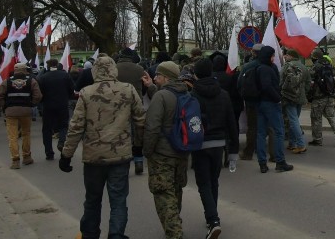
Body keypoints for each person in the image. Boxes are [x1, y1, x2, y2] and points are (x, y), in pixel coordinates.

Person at [58, 55, 145, 239]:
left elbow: (76, 126)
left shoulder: (86, 93)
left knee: (92, 200)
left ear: (94, 71)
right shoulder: (128, 90)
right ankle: (116, 234)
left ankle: (89, 234)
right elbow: (141, 120)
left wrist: (66, 155)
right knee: (119, 200)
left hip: (93, 157)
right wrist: (141, 146)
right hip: (120, 156)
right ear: (114, 70)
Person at [191, 58, 239, 239]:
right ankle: (212, 215)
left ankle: (213, 220)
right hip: (219, 144)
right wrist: (233, 150)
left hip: (200, 144)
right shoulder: (223, 94)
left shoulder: (193, 94)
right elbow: (231, 123)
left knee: (203, 183)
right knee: (213, 181)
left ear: (196, 73)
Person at [144, 61, 190, 239]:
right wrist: (151, 87)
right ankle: (175, 225)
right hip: (181, 151)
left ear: (166, 77)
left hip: (162, 154)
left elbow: (152, 127)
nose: (155, 78)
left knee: (164, 194)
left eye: (157, 76)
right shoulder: (185, 92)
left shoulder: (161, 97)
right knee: (176, 191)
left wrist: (147, 151)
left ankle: (174, 233)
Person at [0, 62, 42, 169]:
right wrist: (31, 104)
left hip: (10, 113)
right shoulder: (31, 81)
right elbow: (38, 96)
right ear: (25, 71)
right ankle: (27, 157)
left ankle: (15, 160)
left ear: (15, 71)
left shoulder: (6, 82)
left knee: (12, 136)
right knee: (26, 134)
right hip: (26, 112)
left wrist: (5, 106)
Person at [254, 46, 293, 174]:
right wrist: (278, 99)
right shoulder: (267, 69)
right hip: (271, 103)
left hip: (259, 103)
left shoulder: (258, 67)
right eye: (272, 55)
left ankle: (262, 163)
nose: (274, 57)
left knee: (260, 133)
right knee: (279, 132)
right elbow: (267, 87)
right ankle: (280, 162)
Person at [237, 45, 274, 161]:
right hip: (267, 101)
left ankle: (248, 153)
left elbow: (239, 83)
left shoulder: (247, 66)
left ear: (253, 52)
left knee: (252, 127)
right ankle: (269, 152)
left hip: (251, 102)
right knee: (268, 126)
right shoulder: (271, 66)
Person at [37, 57, 75, 160]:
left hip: (48, 106)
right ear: (57, 64)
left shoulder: (43, 77)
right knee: (63, 125)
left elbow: (40, 93)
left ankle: (49, 153)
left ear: (48, 66)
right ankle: (61, 141)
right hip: (62, 104)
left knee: (47, 129)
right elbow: (71, 90)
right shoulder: (65, 75)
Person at [307, 48, 335, 147]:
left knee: (316, 118)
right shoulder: (330, 65)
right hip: (330, 95)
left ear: (314, 57)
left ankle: (317, 139)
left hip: (319, 97)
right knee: (331, 116)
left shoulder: (316, 67)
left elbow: (309, 79)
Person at [280, 49, 310, 154]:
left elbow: (280, 81)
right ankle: (292, 144)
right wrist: (303, 93)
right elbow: (308, 83)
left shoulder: (286, 67)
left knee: (293, 121)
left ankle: (301, 144)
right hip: (300, 97)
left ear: (291, 56)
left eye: (286, 55)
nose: (285, 57)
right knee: (295, 120)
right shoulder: (304, 67)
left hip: (288, 97)